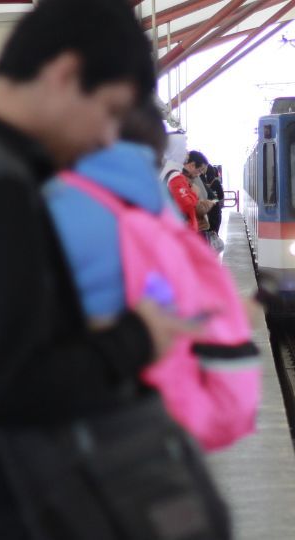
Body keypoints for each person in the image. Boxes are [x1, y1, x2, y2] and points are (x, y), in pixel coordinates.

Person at [0, 2, 195, 538]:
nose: (105, 137)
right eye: (110, 110)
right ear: (66, 74)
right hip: (17, 506)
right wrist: (136, 337)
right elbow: (8, 384)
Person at [44, 101, 260, 449]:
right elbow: (227, 406)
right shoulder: (160, 225)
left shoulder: (47, 206)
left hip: (73, 436)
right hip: (153, 427)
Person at [204, 165, 225, 234]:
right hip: (215, 210)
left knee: (206, 233)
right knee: (214, 233)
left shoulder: (200, 182)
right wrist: (213, 201)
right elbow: (221, 196)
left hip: (204, 211)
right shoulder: (216, 182)